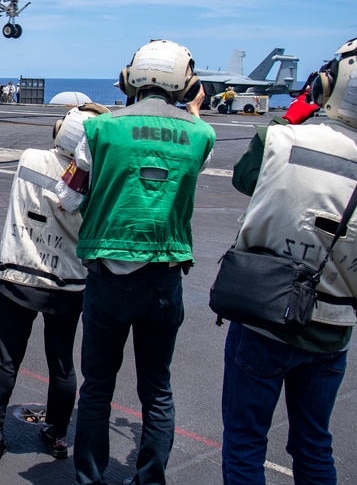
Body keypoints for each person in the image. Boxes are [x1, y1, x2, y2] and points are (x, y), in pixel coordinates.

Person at [220, 36, 357, 485]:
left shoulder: (279, 139)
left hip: (263, 319)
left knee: (245, 443)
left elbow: (245, 180)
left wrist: (297, 112)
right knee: (313, 444)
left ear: (328, 85)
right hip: (332, 329)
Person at [55, 39, 214, 485]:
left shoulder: (101, 130)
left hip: (107, 277)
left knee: (98, 388)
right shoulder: (202, 135)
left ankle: (89, 478)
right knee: (157, 391)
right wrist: (193, 112)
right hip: (164, 279)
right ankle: (149, 479)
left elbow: (67, 199)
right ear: (186, 84)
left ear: (129, 78)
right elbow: (196, 159)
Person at [0, 104, 107, 468]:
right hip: (66, 283)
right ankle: (58, 435)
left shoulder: (29, 157)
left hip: (17, 273)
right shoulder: (94, 179)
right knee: (62, 362)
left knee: (7, 355)